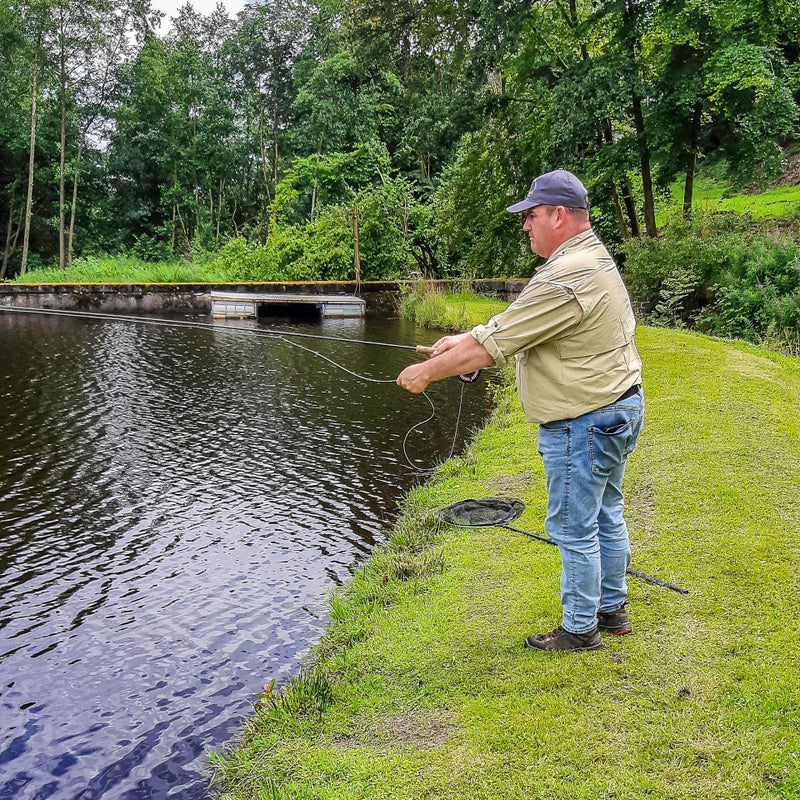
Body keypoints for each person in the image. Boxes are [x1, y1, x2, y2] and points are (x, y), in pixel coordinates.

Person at [396, 169, 644, 652]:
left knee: (574, 526)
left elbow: (497, 344)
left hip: (583, 423)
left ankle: (579, 628)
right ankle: (612, 608)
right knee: (606, 513)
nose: (526, 226)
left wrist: (427, 373)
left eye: (531, 216)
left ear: (558, 214)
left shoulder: (566, 276)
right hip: (616, 410)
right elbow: (513, 326)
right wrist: (461, 340)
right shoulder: (591, 257)